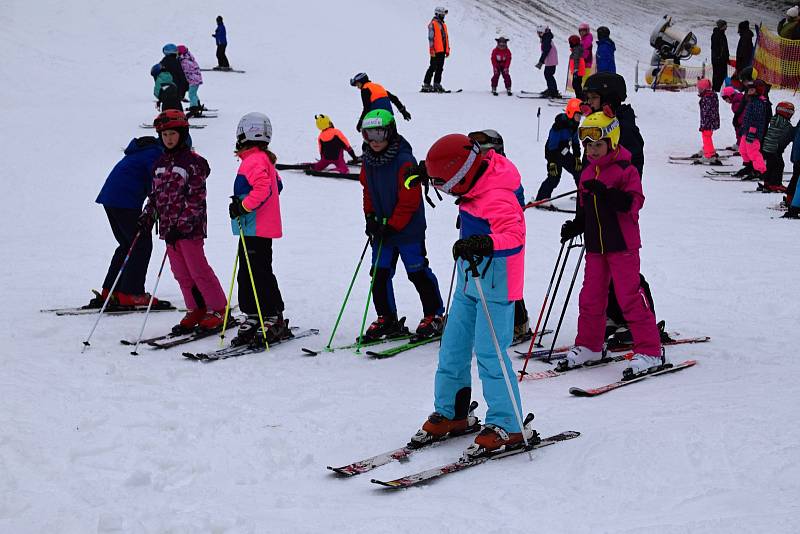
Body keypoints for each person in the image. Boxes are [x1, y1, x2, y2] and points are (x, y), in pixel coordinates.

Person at [409, 133, 537, 456]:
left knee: (490, 351)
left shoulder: (496, 194)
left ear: (462, 177)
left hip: (497, 280)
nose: (446, 192)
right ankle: (453, 412)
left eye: (446, 186)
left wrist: (486, 243)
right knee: (453, 344)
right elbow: (449, 157)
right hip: (471, 275)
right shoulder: (473, 175)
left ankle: (509, 424)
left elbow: (515, 235)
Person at [557, 112, 664, 379]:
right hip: (595, 246)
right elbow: (585, 207)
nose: (593, 151)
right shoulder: (586, 173)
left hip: (622, 245)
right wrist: (577, 224)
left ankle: (650, 350)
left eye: (598, 144)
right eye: (588, 145)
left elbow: (632, 203)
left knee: (628, 297)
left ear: (611, 142)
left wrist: (606, 194)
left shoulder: (626, 170)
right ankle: (590, 345)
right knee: (591, 296)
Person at [138, 110, 228, 333]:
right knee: (180, 272)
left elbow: (196, 198)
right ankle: (195, 308)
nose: (169, 138)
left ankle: (218, 308)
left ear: (182, 134)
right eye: (165, 134)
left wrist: (182, 225)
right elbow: (155, 196)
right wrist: (148, 216)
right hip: (169, 230)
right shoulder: (159, 163)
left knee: (198, 269)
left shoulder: (192, 163)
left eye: (173, 134)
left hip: (189, 229)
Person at [358, 109, 445, 341]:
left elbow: (410, 200)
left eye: (379, 134)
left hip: (408, 230)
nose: (374, 141)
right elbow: (368, 192)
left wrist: (394, 226)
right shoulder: (368, 161)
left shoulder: (404, 161)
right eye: (368, 135)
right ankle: (387, 317)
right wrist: (370, 218)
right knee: (379, 273)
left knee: (417, 272)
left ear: (391, 132)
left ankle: (434, 314)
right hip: (382, 230)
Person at [228, 113, 290, 345]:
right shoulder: (262, 159)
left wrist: (243, 206)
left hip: (257, 227)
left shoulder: (253, 160)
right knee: (249, 271)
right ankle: (254, 313)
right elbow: (278, 185)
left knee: (258, 272)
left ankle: (273, 314)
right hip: (256, 227)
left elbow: (264, 189)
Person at [88, 136, 170, 309]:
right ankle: (132, 293)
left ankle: (111, 291)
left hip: (111, 199)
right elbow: (156, 181)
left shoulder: (140, 152)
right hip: (125, 201)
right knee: (141, 244)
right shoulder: (154, 153)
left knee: (127, 244)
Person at [466, 129, 530, 344]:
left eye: (486, 151)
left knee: (506, 281)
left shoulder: (505, 174)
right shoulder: (478, 173)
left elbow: (514, 203)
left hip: (501, 238)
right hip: (480, 236)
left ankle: (519, 324)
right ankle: (480, 321)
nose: (482, 156)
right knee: (480, 281)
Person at [534, 98, 583, 201]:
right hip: (554, 155)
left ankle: (583, 195)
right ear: (571, 113)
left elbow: (575, 142)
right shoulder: (559, 126)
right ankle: (541, 199)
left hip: (564, 153)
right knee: (554, 177)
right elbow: (551, 146)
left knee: (578, 171)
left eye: (580, 115)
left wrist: (577, 157)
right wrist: (552, 162)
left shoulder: (573, 125)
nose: (580, 118)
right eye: (578, 115)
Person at [737, 79, 770, 181]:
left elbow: (756, 118)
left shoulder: (759, 102)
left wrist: (752, 131)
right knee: (742, 150)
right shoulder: (751, 101)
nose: (748, 92)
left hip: (753, 132)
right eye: (748, 90)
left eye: (751, 90)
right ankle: (751, 166)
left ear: (757, 91)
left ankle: (761, 170)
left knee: (753, 152)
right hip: (746, 130)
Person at [759, 102, 795, 193]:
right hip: (774, 149)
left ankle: (767, 182)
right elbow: (789, 134)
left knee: (770, 165)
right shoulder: (785, 124)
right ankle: (776, 184)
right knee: (779, 165)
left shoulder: (774, 120)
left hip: (767, 148)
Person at [422, 7, 450, 93]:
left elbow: (445, 38)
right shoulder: (433, 24)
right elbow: (431, 38)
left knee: (440, 68)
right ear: (437, 14)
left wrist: (447, 49)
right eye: (442, 14)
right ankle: (426, 84)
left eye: (444, 15)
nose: (443, 16)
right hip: (435, 50)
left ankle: (437, 84)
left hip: (442, 50)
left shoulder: (443, 25)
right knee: (433, 67)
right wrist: (432, 50)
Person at [697, 78, 721, 164]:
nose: (698, 91)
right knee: (707, 136)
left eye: (700, 89)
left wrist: (705, 124)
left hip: (708, 122)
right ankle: (707, 149)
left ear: (704, 89)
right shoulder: (711, 96)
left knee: (706, 137)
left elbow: (707, 112)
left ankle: (709, 155)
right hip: (711, 121)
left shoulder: (707, 98)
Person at [177, 45, 204, 117]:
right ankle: (197, 105)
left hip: (193, 80)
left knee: (191, 94)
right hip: (195, 79)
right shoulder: (188, 58)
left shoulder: (185, 61)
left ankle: (194, 109)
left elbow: (185, 71)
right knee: (193, 93)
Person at [535, 25, 560, 98]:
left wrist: (540, 62)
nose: (539, 34)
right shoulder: (546, 38)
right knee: (548, 75)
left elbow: (545, 51)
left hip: (551, 61)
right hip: (550, 60)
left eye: (540, 33)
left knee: (548, 75)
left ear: (544, 32)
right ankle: (551, 89)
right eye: (538, 33)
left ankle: (553, 91)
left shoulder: (546, 39)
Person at [711, 20, 729, 92]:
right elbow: (717, 48)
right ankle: (716, 90)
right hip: (719, 61)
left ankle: (717, 89)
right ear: (722, 26)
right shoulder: (717, 35)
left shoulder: (722, 34)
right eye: (725, 25)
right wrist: (719, 57)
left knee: (721, 76)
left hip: (721, 60)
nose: (726, 27)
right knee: (718, 76)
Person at [568, 35, 586, 100]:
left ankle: (580, 98)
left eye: (570, 43)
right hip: (578, 70)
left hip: (578, 71)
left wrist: (576, 69)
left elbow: (576, 59)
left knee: (576, 85)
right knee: (576, 84)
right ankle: (580, 97)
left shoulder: (576, 49)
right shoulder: (576, 49)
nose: (570, 44)